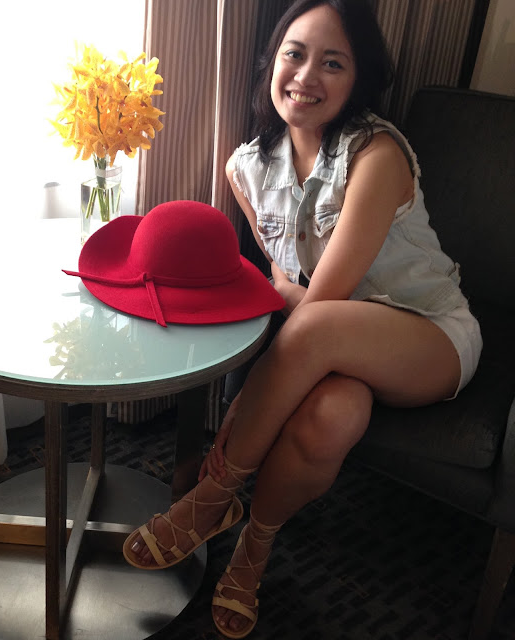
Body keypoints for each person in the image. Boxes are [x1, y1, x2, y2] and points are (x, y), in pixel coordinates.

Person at [122, 0, 483, 637]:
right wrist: (280, 312)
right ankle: (254, 552)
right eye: (295, 54)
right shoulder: (245, 168)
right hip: (337, 344)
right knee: (332, 417)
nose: (307, 75)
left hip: (426, 334)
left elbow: (325, 298)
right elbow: (285, 274)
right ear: (272, 61)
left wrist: (251, 398)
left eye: (333, 63)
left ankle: (212, 498)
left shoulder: (376, 154)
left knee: (313, 329)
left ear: (358, 79)